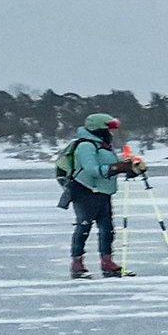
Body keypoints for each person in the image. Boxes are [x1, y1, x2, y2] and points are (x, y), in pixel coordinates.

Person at [59, 113, 146, 279]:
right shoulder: (86, 146)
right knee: (84, 227)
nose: (112, 132)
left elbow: (109, 163)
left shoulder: (103, 145)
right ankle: (77, 264)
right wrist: (117, 168)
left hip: (103, 192)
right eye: (109, 128)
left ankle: (107, 263)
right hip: (85, 191)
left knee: (107, 229)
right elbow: (92, 169)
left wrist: (131, 166)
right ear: (99, 129)